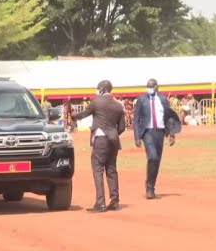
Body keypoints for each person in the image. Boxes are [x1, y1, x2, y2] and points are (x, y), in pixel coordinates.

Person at [71, 80, 126, 212]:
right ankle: (115, 201)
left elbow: (83, 114)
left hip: (100, 139)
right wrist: (113, 133)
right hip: (114, 140)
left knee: (98, 170)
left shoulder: (97, 102)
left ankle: (100, 202)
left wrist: (73, 116)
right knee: (112, 170)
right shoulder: (119, 105)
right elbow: (122, 127)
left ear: (101, 89)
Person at [133, 78, 182, 199]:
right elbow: (136, 119)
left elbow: (169, 117)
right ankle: (149, 187)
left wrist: (172, 134)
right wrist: (137, 136)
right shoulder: (142, 99)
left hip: (160, 132)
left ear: (156, 87)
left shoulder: (163, 99)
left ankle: (151, 186)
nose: (148, 88)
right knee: (152, 157)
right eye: (147, 86)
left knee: (157, 161)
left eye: (151, 86)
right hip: (147, 132)